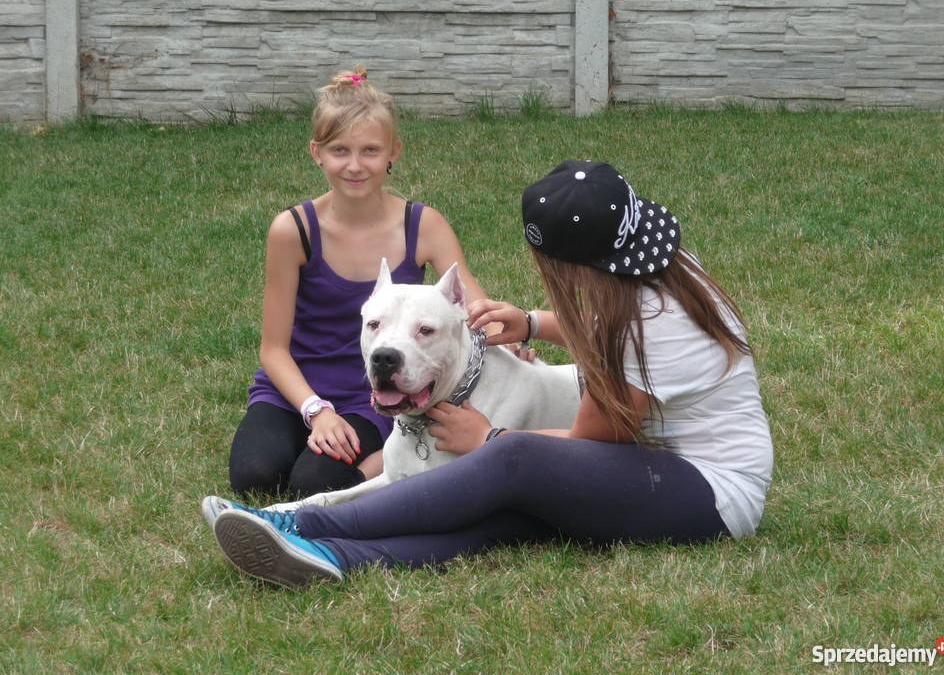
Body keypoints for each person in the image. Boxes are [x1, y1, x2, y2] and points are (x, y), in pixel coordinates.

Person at [208, 160, 774, 588]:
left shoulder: (652, 323)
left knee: (512, 461)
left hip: (709, 490)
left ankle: (303, 528)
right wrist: (530, 323)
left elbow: (590, 439)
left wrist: (491, 438)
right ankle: (330, 559)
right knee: (506, 517)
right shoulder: (651, 266)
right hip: (659, 464)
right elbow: (604, 326)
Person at [229, 64, 490, 500]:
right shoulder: (293, 229)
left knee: (312, 483)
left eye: (370, 150)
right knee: (255, 474)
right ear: (316, 152)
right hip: (296, 388)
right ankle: (357, 453)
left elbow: (472, 300)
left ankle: (383, 460)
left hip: (381, 390)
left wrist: (505, 329)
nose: (354, 165)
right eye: (339, 151)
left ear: (394, 152)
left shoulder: (422, 224)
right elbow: (273, 348)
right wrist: (316, 413)